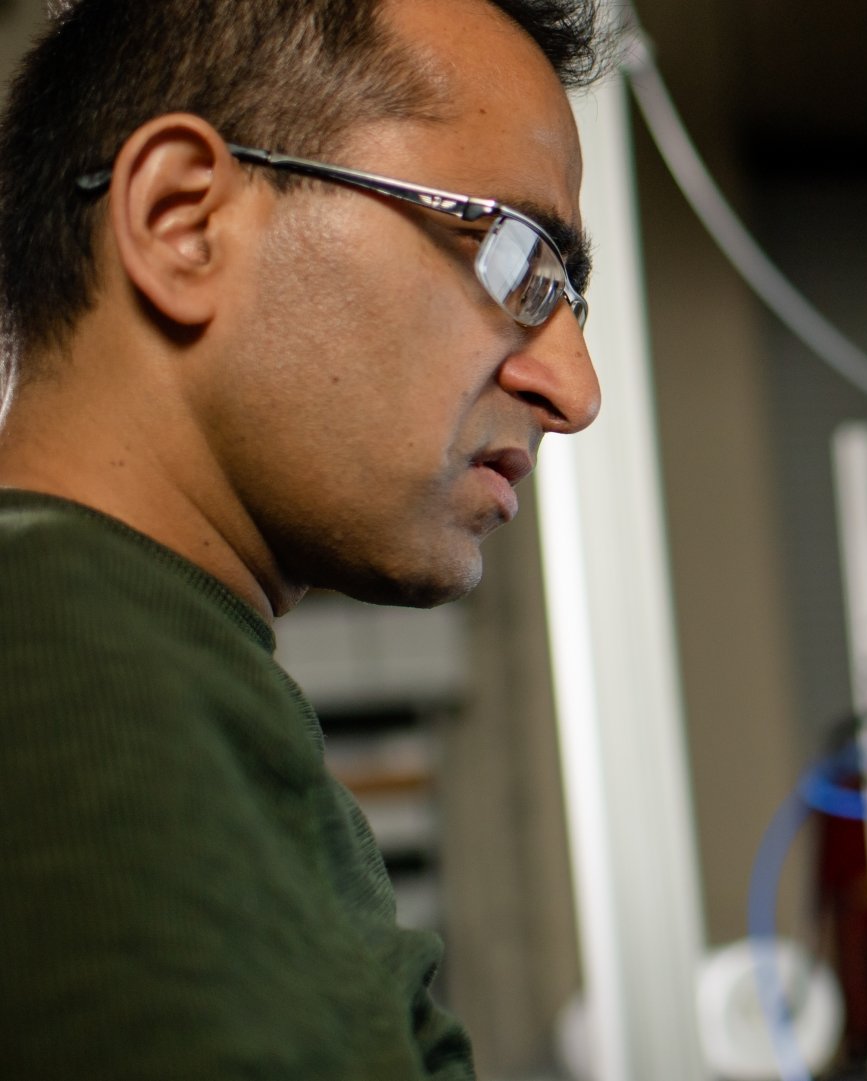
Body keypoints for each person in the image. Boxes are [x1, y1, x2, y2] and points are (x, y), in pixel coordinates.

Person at [0, 0, 608, 1074]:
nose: (573, 387)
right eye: (513, 249)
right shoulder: (60, 664)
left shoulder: (177, 681)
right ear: (184, 219)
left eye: (571, 298)